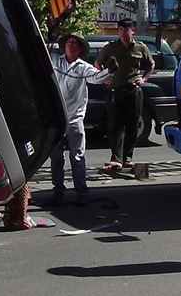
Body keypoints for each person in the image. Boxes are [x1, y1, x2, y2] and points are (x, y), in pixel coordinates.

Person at [48, 33, 110, 206]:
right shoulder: (54, 61)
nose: (71, 44)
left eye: (74, 43)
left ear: (80, 49)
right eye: (69, 41)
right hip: (56, 118)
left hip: (74, 119)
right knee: (56, 157)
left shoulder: (83, 67)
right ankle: (58, 191)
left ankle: (82, 192)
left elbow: (97, 78)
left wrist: (109, 70)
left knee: (77, 157)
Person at [94, 18, 154, 172]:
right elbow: (97, 62)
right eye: (120, 29)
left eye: (126, 29)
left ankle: (127, 157)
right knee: (115, 126)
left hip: (133, 91)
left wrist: (145, 78)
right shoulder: (111, 48)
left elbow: (151, 64)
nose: (122, 32)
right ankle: (116, 159)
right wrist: (103, 77)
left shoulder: (140, 48)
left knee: (132, 126)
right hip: (115, 91)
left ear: (132, 31)